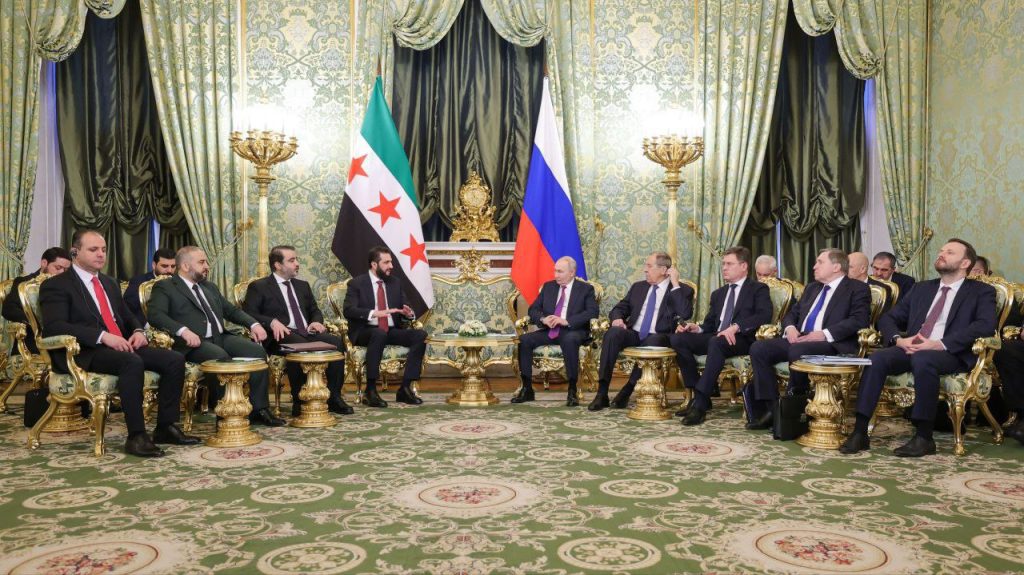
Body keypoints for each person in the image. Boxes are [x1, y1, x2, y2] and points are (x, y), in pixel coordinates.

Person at [39, 230, 198, 457]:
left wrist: (137, 330)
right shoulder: (57, 284)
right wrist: (102, 336)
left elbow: (126, 314)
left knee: (174, 359)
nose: (100, 254)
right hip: (84, 351)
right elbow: (54, 326)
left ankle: (165, 427)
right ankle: (136, 436)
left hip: (120, 346)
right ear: (75, 252)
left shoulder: (109, 282)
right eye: (93, 249)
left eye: (103, 250)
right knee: (131, 362)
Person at [841, 239, 997, 457]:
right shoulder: (922, 288)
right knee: (877, 359)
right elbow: (889, 318)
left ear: (965, 263)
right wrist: (898, 339)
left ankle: (924, 437)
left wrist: (939, 343)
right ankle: (860, 432)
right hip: (914, 347)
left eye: (950, 252)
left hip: (951, 352)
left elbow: (985, 325)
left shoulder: (982, 291)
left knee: (924, 359)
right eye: (941, 250)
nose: (941, 254)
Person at [147, 246, 286, 427]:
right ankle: (224, 412)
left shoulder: (209, 287)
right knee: (219, 357)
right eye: (201, 262)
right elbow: (156, 315)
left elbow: (231, 311)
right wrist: (182, 330)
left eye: (206, 261)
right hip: (191, 343)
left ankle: (259, 410)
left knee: (256, 352)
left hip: (220, 337)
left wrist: (254, 324)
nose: (207, 266)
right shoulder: (165, 286)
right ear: (186, 266)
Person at [745, 248, 871, 429]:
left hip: (830, 343)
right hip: (800, 339)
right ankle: (773, 409)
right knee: (759, 348)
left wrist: (824, 333)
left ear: (836, 267)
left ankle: (796, 409)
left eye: (820, 262)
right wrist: (790, 328)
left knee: (798, 351)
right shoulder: (812, 288)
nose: (814, 266)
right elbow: (792, 313)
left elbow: (859, 320)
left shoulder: (857, 288)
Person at [244, 245, 353, 416]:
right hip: (279, 336)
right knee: (299, 345)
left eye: (297, 259)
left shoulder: (302, 285)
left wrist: (316, 322)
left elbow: (315, 310)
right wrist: (271, 322)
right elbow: (249, 313)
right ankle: (299, 400)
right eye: (292, 260)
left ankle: (334, 397)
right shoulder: (259, 286)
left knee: (336, 343)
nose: (297, 263)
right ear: (278, 265)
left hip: (306, 332)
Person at [671, 247, 772, 425]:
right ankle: (697, 392)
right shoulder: (719, 294)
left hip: (742, 339)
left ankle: (700, 404)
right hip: (716, 337)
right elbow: (710, 324)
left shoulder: (758, 288)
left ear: (744, 266)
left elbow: (764, 315)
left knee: (717, 341)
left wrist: (736, 327)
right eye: (723, 264)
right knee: (678, 338)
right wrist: (697, 328)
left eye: (729, 264)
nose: (724, 267)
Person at [588, 252, 694, 411]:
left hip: (660, 336)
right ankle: (602, 393)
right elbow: (619, 308)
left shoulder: (682, 290)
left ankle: (627, 390)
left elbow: (685, 313)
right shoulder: (638, 287)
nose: (645, 270)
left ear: (664, 270)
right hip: (635, 333)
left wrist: (675, 284)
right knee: (612, 333)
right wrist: (617, 319)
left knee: (653, 341)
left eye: (649, 266)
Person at [343, 246, 428, 408]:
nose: (391, 266)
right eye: (386, 262)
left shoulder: (395, 282)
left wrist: (408, 313)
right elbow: (348, 310)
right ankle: (370, 390)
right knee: (378, 333)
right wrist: (374, 313)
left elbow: (405, 308)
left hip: (390, 330)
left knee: (420, 335)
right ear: (374, 264)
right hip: (366, 331)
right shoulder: (357, 283)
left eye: (391, 262)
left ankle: (405, 388)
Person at [512, 256, 598, 407]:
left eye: (560, 271)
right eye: (555, 271)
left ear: (572, 272)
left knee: (569, 339)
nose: (556, 275)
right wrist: (543, 319)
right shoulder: (549, 287)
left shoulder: (585, 289)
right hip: (551, 330)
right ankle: (527, 389)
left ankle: (572, 390)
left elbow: (592, 312)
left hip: (573, 331)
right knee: (525, 340)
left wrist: (567, 321)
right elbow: (533, 310)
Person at [3, 247, 72, 355]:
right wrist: (35, 322)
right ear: (44, 263)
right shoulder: (24, 283)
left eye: (66, 270)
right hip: (32, 344)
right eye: (58, 267)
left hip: (65, 343)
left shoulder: (68, 287)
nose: (62, 272)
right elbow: (8, 309)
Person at [123, 248, 176, 326]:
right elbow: (128, 308)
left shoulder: (179, 282)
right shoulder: (139, 282)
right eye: (164, 266)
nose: (169, 270)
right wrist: (146, 326)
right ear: (154, 265)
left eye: (173, 266)